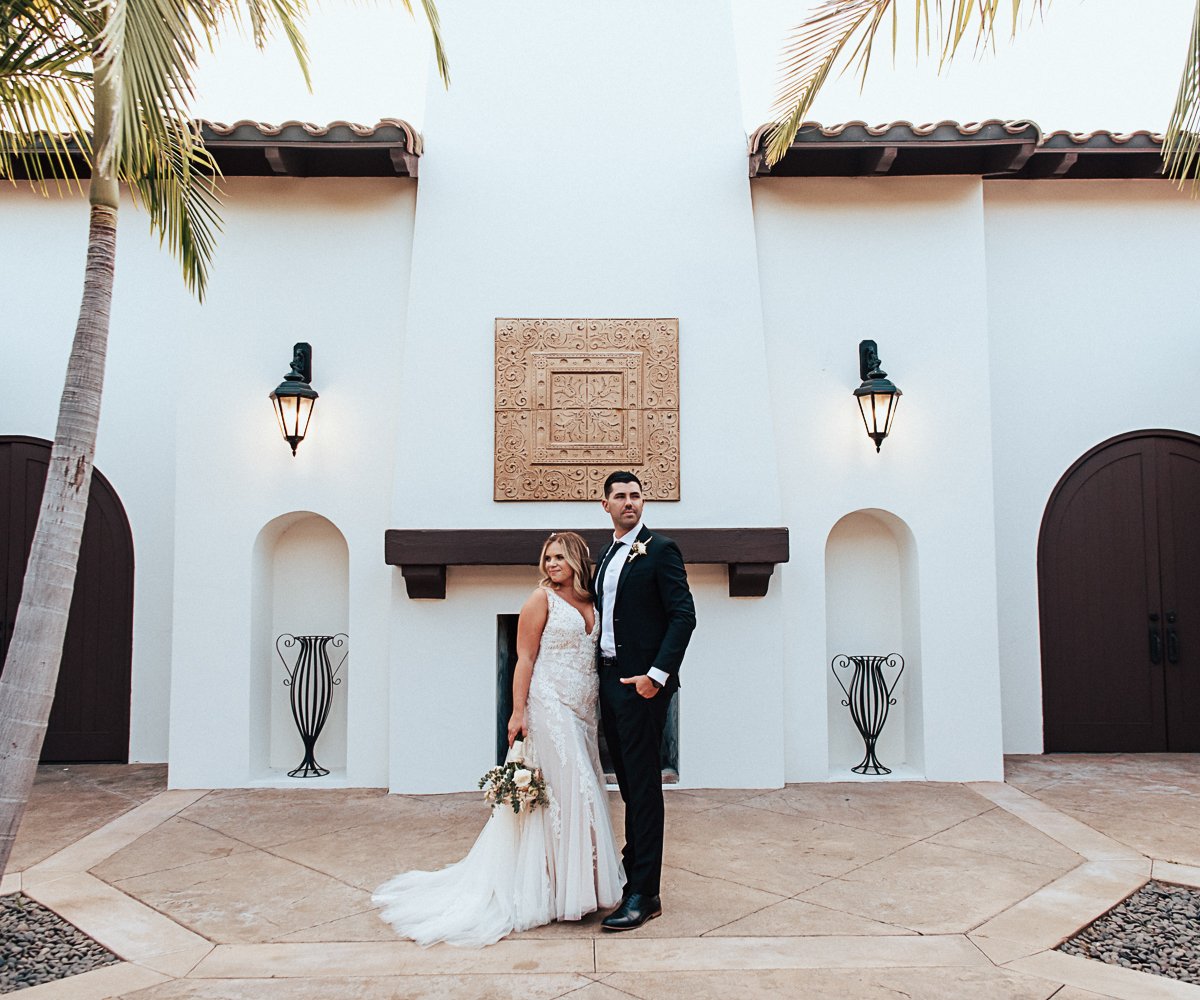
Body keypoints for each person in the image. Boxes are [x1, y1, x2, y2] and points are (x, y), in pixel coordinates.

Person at [372, 531, 623, 947]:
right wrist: (519, 711)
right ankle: (562, 893)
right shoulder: (539, 600)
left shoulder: (593, 603)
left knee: (577, 791)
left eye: (560, 556)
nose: (551, 564)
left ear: (578, 560)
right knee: (575, 790)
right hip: (548, 703)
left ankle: (581, 886)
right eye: (547, 557)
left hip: (583, 710)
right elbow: (524, 658)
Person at [594, 471, 696, 931]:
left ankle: (645, 894)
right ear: (606, 504)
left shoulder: (661, 550)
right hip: (610, 683)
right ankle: (632, 871)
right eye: (620, 496)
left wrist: (656, 677)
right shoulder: (604, 557)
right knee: (629, 787)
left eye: (636, 496)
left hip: (642, 686)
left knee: (644, 789)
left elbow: (683, 616)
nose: (629, 502)